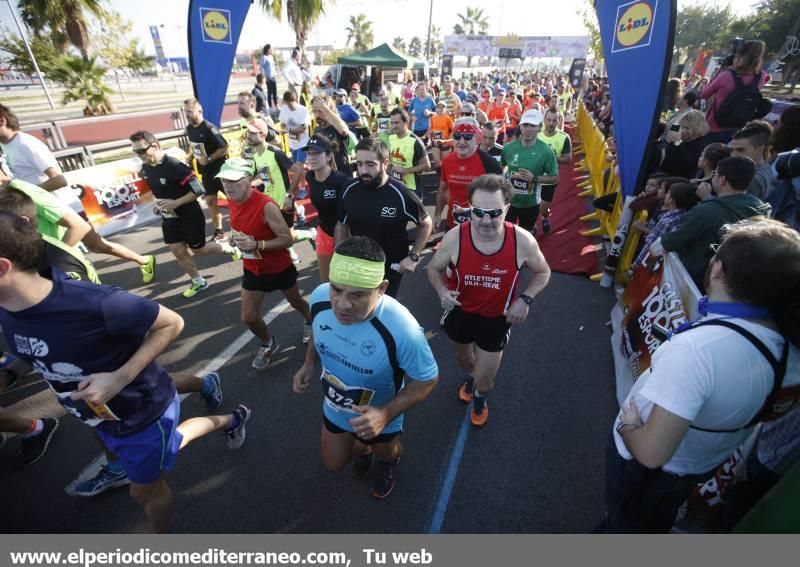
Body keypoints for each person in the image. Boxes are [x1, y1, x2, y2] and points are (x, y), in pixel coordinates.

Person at [0, 212, 251, 532]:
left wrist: (119, 377)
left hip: (141, 417)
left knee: (145, 492)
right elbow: (37, 348)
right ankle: (229, 418)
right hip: (98, 417)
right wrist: (10, 373)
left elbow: (172, 323)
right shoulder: (9, 309)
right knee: (168, 447)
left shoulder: (95, 303)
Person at [603, 218, 800, 533]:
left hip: (648, 470)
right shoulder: (788, 348)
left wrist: (628, 427)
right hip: (696, 465)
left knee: (624, 526)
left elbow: (651, 454)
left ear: (719, 269)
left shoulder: (699, 350)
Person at [292, 236, 439, 499]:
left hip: (381, 413)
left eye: (358, 295)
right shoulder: (319, 298)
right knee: (333, 464)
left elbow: (427, 379)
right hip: (336, 406)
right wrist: (308, 363)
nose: (342, 305)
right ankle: (364, 448)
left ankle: (388, 461)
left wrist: (384, 413)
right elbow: (318, 328)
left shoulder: (403, 330)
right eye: (337, 289)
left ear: (381, 288)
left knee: (387, 452)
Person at [427, 174, 551, 426]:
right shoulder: (455, 237)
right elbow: (432, 268)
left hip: (497, 318)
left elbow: (543, 271)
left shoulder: (521, 240)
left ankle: (480, 397)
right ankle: (472, 375)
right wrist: (442, 292)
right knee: (464, 360)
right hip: (460, 312)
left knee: (485, 382)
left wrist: (525, 299)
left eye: (494, 212)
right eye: (478, 211)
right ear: (470, 208)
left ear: (506, 209)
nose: (485, 220)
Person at [0, 104, 156, 283]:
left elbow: (59, 180)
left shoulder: (26, 144)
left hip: (58, 209)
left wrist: (26, 194)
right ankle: (143, 260)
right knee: (95, 245)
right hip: (40, 211)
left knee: (82, 249)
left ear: (2, 120)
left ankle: (102, 277)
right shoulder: (6, 145)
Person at [216, 159, 313, 369]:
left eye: (233, 180)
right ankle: (268, 343)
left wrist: (257, 244)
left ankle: (309, 320)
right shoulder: (233, 200)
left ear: (249, 180)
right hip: (253, 269)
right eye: (224, 181)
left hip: (279, 267)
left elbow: (286, 239)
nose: (228, 186)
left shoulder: (266, 205)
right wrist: (234, 238)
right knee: (249, 318)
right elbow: (240, 226)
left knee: (296, 301)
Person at [129, 131, 241, 298]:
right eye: (135, 151)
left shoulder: (175, 166)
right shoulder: (145, 168)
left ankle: (226, 247)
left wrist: (176, 203)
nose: (139, 155)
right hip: (169, 218)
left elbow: (199, 190)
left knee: (199, 250)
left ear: (154, 146)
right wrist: (157, 205)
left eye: (141, 151)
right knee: (177, 250)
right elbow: (157, 191)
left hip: (189, 215)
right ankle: (198, 281)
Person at [335, 136, 432, 298]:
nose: (363, 171)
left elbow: (426, 223)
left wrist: (414, 256)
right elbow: (341, 223)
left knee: (380, 310)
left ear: (385, 164)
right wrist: (339, 251)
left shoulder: (401, 193)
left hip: (389, 269)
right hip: (357, 264)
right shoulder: (349, 189)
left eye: (370, 164)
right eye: (359, 164)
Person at [654, 156, 771, 291]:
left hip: (695, 282)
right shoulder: (761, 210)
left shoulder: (707, 211)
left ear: (722, 180)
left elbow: (672, 242)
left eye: (715, 173)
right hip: (730, 285)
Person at [244, 118, 313, 266]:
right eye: (248, 132)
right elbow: (264, 177)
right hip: (269, 203)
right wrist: (249, 184)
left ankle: (311, 234)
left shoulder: (276, 153)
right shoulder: (255, 155)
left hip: (283, 201)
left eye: (252, 133)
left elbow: (297, 171)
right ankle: (292, 254)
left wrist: (289, 195)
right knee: (275, 234)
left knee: (289, 236)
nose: (248, 135)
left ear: (263, 135)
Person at [435, 117, 503, 231]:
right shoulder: (447, 161)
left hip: (481, 226)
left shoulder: (489, 162)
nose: (461, 142)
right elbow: (443, 190)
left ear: (477, 138)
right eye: (457, 136)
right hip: (453, 223)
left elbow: (503, 196)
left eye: (467, 136)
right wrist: (437, 214)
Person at [303, 135, 353, 282]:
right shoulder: (310, 177)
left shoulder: (342, 181)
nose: (312, 157)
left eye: (317, 153)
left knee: (346, 283)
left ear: (329, 156)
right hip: (324, 234)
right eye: (309, 153)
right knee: (326, 284)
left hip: (347, 236)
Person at [501, 109, 559, 235]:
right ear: (520, 127)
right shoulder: (508, 148)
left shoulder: (546, 151)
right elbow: (501, 169)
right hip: (508, 202)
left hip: (531, 205)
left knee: (525, 234)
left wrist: (534, 179)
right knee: (506, 234)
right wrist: (505, 180)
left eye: (533, 125)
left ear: (539, 128)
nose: (528, 129)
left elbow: (554, 178)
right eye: (525, 125)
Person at [702, 40, 769, 144]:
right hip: (736, 129)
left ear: (739, 56)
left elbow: (704, 94)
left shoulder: (726, 75)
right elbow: (768, 78)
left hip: (713, 127)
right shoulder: (761, 76)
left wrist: (710, 81)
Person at [183, 98, 230, 241]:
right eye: (185, 112)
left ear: (199, 111)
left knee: (233, 201)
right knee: (210, 201)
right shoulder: (189, 129)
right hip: (207, 172)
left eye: (190, 112)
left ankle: (243, 228)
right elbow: (196, 147)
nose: (187, 115)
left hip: (221, 169)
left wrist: (209, 159)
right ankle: (219, 232)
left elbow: (225, 147)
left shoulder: (209, 127)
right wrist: (191, 157)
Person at [537, 108, 573, 235]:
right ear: (544, 120)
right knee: (531, 205)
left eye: (554, 120)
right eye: (548, 120)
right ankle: (531, 225)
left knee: (543, 206)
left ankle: (545, 217)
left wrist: (551, 157)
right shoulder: (536, 134)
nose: (551, 123)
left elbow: (568, 159)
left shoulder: (564, 137)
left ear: (558, 121)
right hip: (533, 177)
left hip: (550, 178)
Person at [386, 108, 430, 200]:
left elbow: (427, 165)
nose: (393, 126)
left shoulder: (415, 141)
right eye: (392, 123)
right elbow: (391, 160)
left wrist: (406, 170)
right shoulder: (391, 138)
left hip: (412, 189)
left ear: (406, 122)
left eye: (397, 123)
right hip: (395, 185)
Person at [728, 120, 774, 201]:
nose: (733, 155)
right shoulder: (763, 167)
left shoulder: (751, 180)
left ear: (760, 149)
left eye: (740, 150)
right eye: (731, 150)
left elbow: (739, 211)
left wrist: (707, 197)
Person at [657, 109, 708, 179]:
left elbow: (684, 164)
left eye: (687, 128)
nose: (683, 131)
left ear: (697, 128)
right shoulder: (685, 141)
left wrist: (675, 142)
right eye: (682, 127)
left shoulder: (700, 145)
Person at [311, 97, 358, 173]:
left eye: (320, 111)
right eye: (314, 111)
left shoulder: (337, 126)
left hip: (342, 177)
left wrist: (325, 108)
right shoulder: (316, 130)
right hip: (326, 178)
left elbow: (344, 131)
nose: (317, 115)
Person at [278, 90, 311, 163]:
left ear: (295, 100)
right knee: (296, 167)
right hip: (292, 145)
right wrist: (284, 128)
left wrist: (289, 130)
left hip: (303, 144)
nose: (289, 106)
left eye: (291, 103)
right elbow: (282, 123)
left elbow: (303, 128)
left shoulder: (303, 110)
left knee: (300, 166)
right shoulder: (284, 109)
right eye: (287, 103)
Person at [428, 101, 455, 169]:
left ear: (445, 109)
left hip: (444, 142)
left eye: (442, 107)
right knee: (437, 162)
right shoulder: (433, 117)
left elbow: (454, 130)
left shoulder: (447, 118)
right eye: (438, 107)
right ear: (436, 108)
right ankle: (439, 177)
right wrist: (430, 140)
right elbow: (431, 129)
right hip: (435, 142)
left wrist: (448, 141)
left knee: (445, 163)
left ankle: (444, 177)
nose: (440, 109)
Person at [259, 44, 278, 110]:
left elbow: (273, 66)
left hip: (273, 77)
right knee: (270, 92)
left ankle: (276, 105)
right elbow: (261, 67)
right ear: (267, 49)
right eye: (271, 49)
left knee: (275, 92)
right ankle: (270, 106)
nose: (271, 50)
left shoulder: (271, 57)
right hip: (268, 77)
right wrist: (264, 77)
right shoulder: (263, 57)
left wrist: (275, 74)